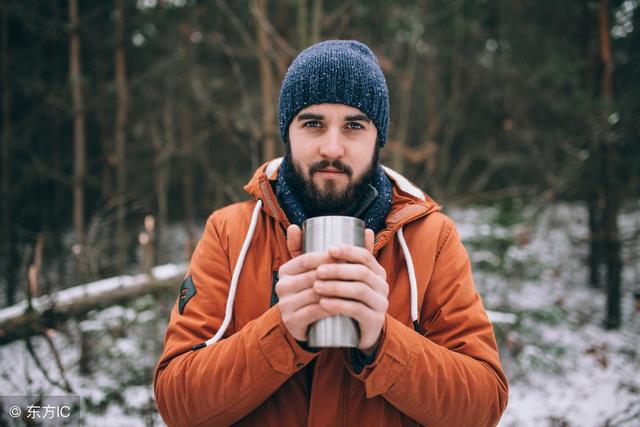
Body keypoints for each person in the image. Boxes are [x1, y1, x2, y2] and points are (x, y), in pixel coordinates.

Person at [154, 40, 508, 427]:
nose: (332, 147)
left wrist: (382, 340)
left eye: (354, 125)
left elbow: (483, 405)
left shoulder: (431, 239)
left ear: (379, 138)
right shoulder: (231, 232)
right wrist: (282, 331)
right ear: (287, 132)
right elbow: (177, 402)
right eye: (313, 123)